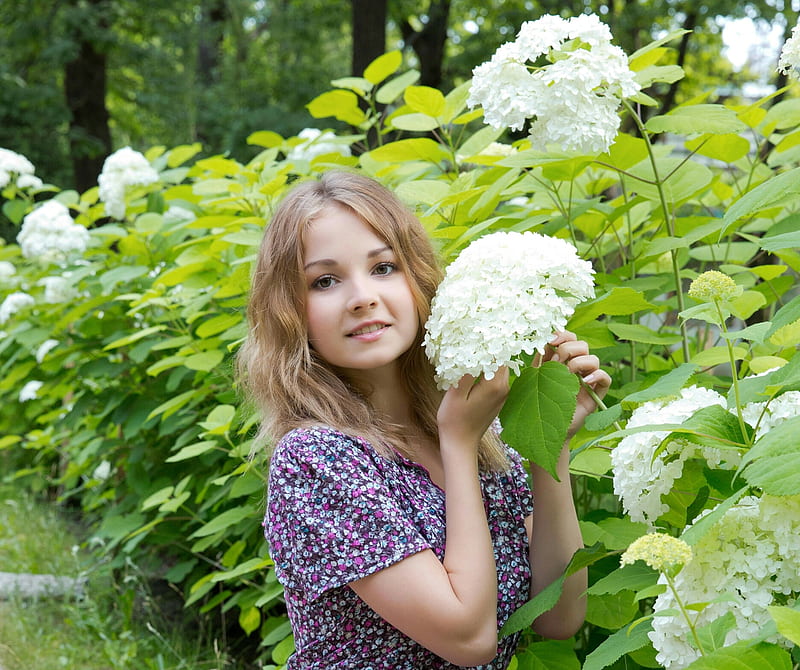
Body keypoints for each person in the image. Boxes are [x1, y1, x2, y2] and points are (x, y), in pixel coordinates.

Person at [238, 170, 611, 669]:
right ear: (290, 312)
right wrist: (457, 444)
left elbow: (559, 618)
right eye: (324, 281)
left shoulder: (480, 433)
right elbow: (470, 639)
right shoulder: (315, 460)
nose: (362, 296)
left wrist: (552, 448)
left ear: (417, 277)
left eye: (384, 267)